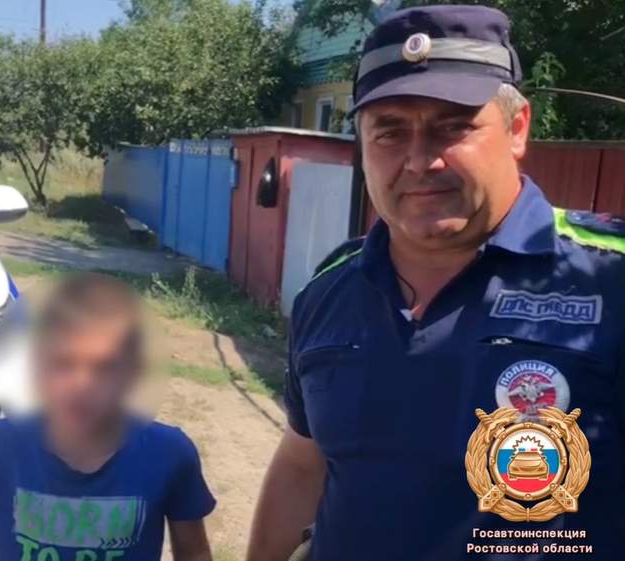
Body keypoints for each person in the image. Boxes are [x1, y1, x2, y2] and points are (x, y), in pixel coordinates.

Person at [247, 5, 624, 561]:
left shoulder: (607, 281)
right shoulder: (330, 290)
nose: (421, 161)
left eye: (453, 126)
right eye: (390, 132)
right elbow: (306, 462)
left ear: (517, 128)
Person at [0, 273, 216, 561]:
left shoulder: (169, 454)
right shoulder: (1, 445)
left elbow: (193, 552)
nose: (82, 385)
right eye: (63, 364)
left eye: (104, 367)